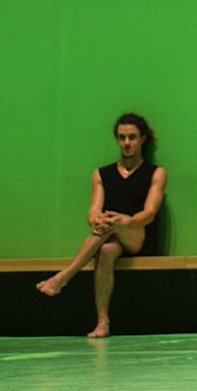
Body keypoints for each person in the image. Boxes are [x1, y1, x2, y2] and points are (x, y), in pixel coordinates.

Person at [36, 114, 167, 338]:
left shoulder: (156, 173)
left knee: (111, 227)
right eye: (122, 137)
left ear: (143, 139)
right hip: (110, 238)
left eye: (132, 137)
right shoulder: (101, 174)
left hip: (139, 237)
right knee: (105, 248)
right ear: (117, 139)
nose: (127, 143)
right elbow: (93, 209)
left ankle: (65, 276)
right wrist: (95, 219)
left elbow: (149, 213)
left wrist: (124, 221)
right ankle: (102, 322)